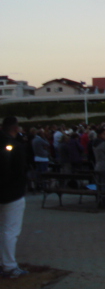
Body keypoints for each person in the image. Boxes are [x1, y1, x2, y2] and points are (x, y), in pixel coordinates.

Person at [0, 117, 29, 279]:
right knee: (10, 230)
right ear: (16, 128)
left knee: (4, 230)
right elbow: (19, 171)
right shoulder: (16, 147)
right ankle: (9, 266)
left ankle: (4, 262)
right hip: (12, 194)